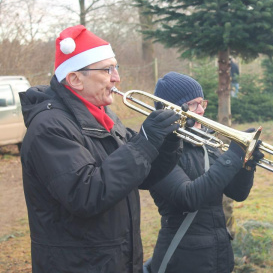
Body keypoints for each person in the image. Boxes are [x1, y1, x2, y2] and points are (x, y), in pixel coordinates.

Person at [19, 25, 182, 273]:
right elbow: (86, 194)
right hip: (77, 265)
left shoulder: (104, 117)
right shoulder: (48, 127)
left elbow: (143, 175)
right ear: (75, 79)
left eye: (116, 68)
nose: (117, 78)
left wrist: (168, 142)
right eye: (108, 69)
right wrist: (145, 142)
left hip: (116, 259)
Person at [146, 72, 263, 273]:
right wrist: (233, 155)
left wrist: (247, 165)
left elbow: (237, 192)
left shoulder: (206, 142)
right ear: (171, 108)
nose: (200, 110)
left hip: (217, 252)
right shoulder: (159, 149)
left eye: (202, 103)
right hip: (182, 257)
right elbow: (188, 197)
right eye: (193, 104)